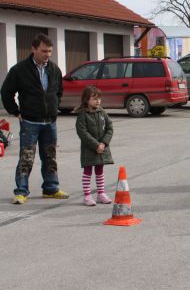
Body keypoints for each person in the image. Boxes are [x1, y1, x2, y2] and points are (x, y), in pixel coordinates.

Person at [1, 33, 69, 204]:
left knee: (50, 157)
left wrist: (54, 108)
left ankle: (51, 188)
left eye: (50, 51)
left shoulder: (54, 69)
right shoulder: (19, 70)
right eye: (44, 51)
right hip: (30, 122)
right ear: (34, 49)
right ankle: (21, 191)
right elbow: (6, 92)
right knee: (26, 157)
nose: (48, 54)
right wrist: (15, 112)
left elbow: (58, 92)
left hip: (49, 123)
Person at [75, 86, 114, 206]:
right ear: (86, 100)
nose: (98, 101)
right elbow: (82, 132)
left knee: (100, 170)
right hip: (89, 149)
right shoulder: (82, 115)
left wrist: (103, 143)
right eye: (94, 99)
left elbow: (109, 128)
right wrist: (96, 145)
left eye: (99, 98)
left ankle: (101, 193)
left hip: (102, 148)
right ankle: (87, 195)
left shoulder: (102, 112)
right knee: (88, 171)